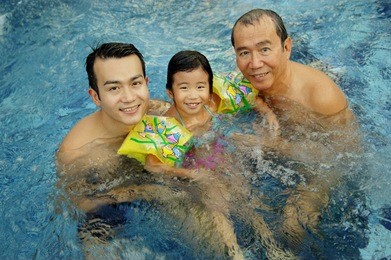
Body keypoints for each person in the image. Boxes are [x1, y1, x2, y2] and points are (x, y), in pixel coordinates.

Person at [56, 42, 248, 259]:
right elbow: (76, 204)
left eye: (135, 83)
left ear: (146, 83)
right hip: (115, 206)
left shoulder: (157, 111)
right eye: (113, 88)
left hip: (160, 185)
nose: (129, 97)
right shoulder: (79, 151)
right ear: (95, 96)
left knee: (222, 236)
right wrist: (147, 191)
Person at [231, 9, 362, 251]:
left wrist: (271, 146)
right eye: (244, 53)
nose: (255, 63)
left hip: (323, 169)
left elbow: (343, 159)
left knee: (292, 223)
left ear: (287, 47)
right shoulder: (243, 84)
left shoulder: (320, 97)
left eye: (265, 49)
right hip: (284, 150)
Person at [145, 50, 296, 259]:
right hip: (194, 166)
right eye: (183, 88)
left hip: (220, 154)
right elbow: (152, 165)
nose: (193, 95)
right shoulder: (169, 126)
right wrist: (189, 174)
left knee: (246, 197)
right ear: (170, 92)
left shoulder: (212, 104)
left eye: (200, 87)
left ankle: (272, 247)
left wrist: (267, 113)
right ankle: (234, 253)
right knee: (216, 205)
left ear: (209, 87)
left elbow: (245, 97)